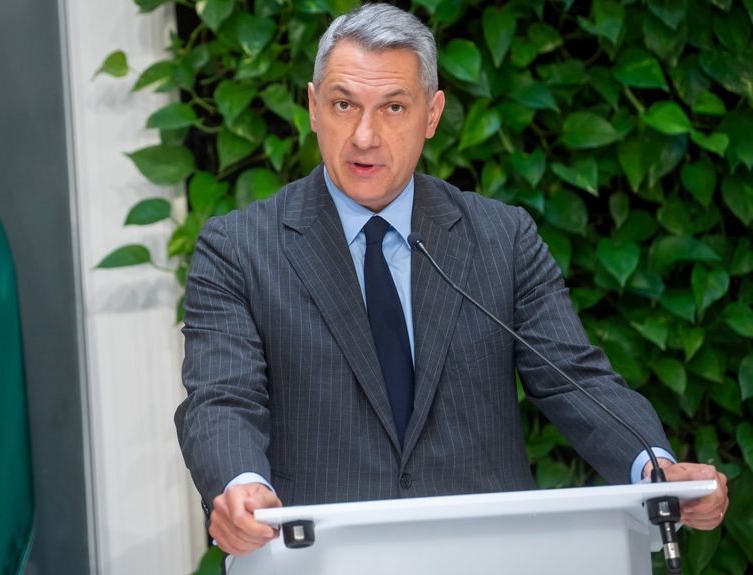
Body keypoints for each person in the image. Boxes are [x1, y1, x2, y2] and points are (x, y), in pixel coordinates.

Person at [174, 2, 728, 557]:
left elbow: (573, 378)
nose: (364, 136)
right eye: (344, 105)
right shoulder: (239, 248)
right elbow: (223, 398)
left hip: (488, 554)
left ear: (432, 115)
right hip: (318, 558)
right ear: (314, 107)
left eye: (393, 107)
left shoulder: (502, 237)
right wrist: (241, 483)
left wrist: (655, 467)